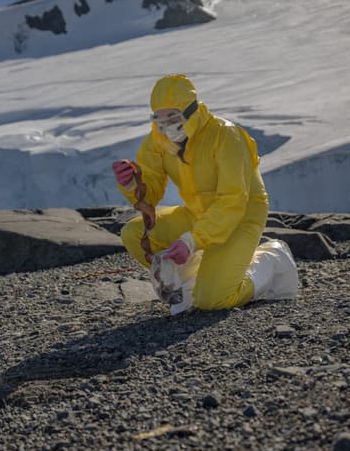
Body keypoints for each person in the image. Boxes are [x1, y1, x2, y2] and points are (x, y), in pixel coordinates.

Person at [112, 74, 295, 312]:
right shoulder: (158, 140)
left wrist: (192, 241)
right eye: (159, 119)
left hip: (240, 217)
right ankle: (191, 285)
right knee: (134, 234)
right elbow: (151, 192)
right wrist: (132, 184)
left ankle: (271, 262)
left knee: (214, 301)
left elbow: (232, 200)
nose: (167, 126)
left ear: (192, 111)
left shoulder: (225, 136)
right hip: (198, 215)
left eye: (173, 117)